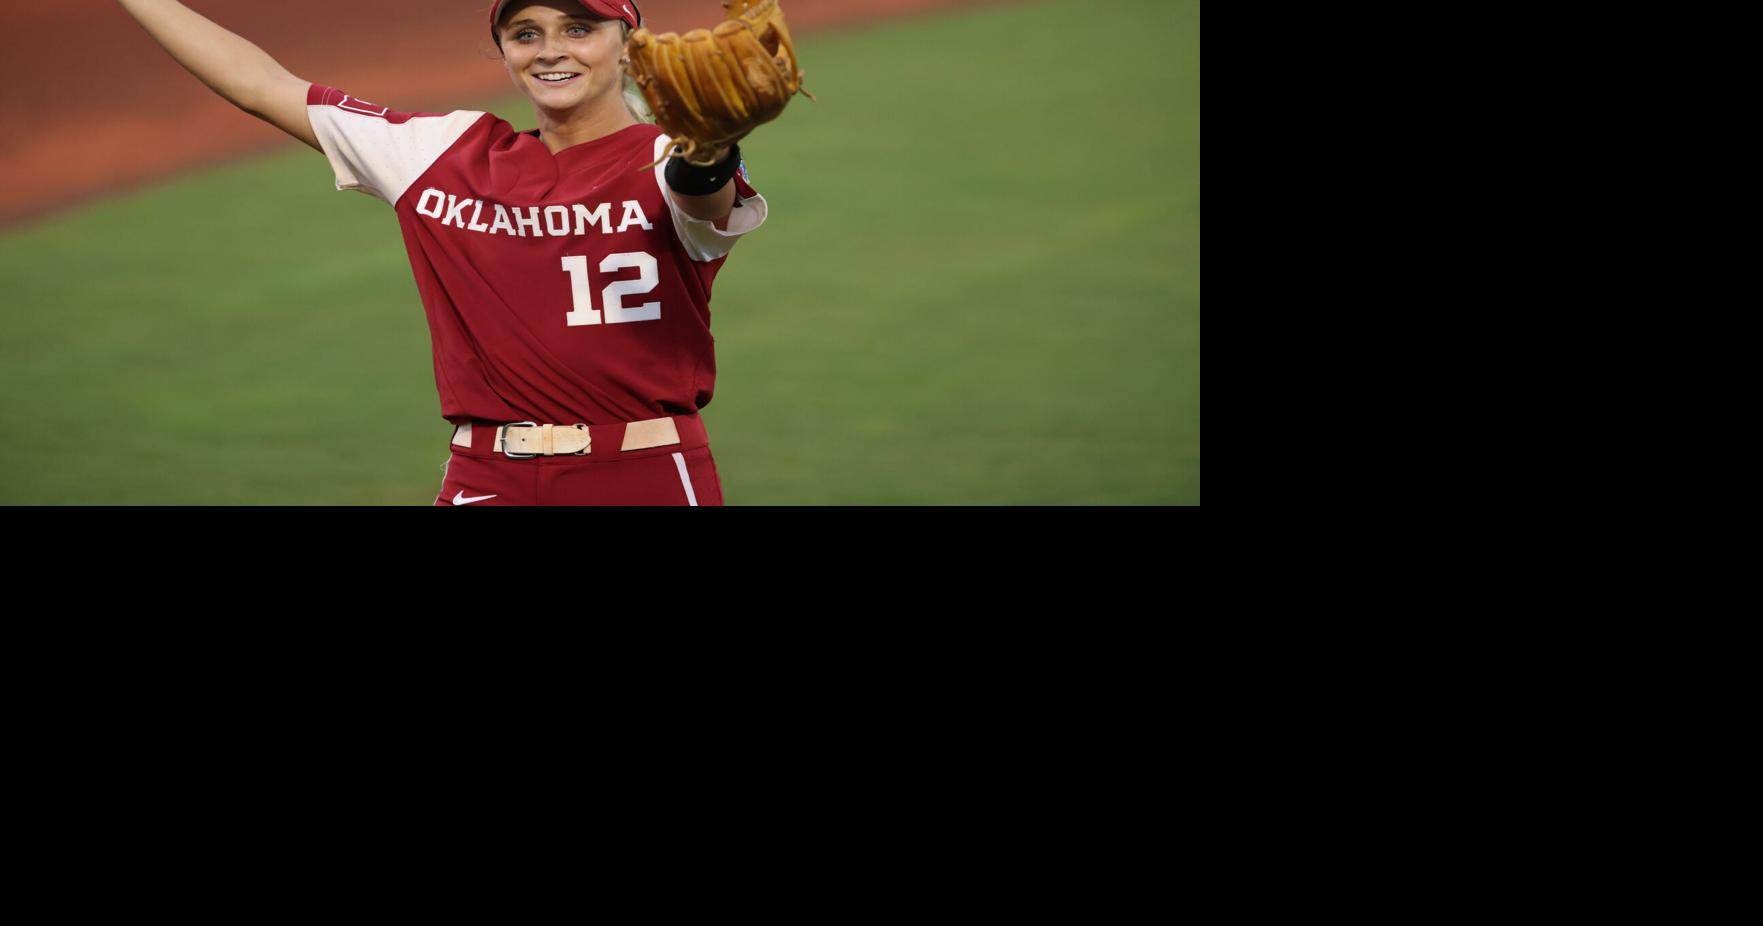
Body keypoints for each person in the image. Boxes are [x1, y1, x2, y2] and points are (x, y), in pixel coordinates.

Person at [116, 0, 769, 505]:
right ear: (504, 53)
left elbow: (701, 199)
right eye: (524, 34)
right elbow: (260, 85)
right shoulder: (445, 155)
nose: (550, 51)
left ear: (629, 46)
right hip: (486, 476)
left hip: (641, 474)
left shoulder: (664, 158)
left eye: (578, 28)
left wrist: (709, 151)